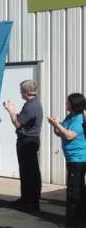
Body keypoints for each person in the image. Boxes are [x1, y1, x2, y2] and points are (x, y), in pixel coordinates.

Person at [3, 80, 43, 211]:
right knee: (28, 171)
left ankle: (31, 201)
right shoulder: (33, 103)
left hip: (27, 141)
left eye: (21, 90)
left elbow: (18, 123)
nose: (20, 92)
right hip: (29, 140)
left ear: (26, 92)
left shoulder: (31, 106)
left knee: (29, 172)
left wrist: (11, 110)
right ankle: (27, 199)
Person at [48, 93, 86, 227]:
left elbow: (69, 135)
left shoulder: (79, 118)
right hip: (71, 158)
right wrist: (55, 125)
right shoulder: (71, 116)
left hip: (78, 159)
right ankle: (79, 219)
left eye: (68, 102)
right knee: (77, 189)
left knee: (74, 191)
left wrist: (58, 125)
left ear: (74, 104)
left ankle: (73, 222)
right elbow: (60, 132)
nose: (66, 104)